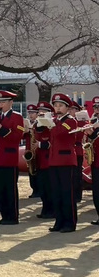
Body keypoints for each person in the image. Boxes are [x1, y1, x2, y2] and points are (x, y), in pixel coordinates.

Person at [0, 90, 24, 225]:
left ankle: (13, 216)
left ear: (11, 102)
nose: (1, 104)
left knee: (10, 189)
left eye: (3, 102)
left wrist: (1, 127)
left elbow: (17, 137)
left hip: (9, 158)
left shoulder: (17, 117)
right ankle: (4, 215)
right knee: (0, 188)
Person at [48, 93, 79, 232]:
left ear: (67, 108)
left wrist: (49, 124)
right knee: (56, 193)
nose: (57, 108)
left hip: (66, 160)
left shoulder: (70, 121)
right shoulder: (54, 120)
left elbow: (60, 133)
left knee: (67, 193)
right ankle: (59, 221)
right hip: (54, 160)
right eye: (55, 105)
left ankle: (70, 223)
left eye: (61, 106)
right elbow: (43, 136)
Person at [34, 101, 55, 220]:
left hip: (49, 160)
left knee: (49, 187)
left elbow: (52, 141)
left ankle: (51, 210)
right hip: (40, 160)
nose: (40, 113)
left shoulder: (52, 124)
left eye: (43, 112)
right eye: (39, 112)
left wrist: (40, 144)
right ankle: (45, 209)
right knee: (42, 187)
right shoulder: (38, 125)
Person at [67, 100, 88, 203]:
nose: (70, 111)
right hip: (68, 151)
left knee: (77, 175)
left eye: (72, 109)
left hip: (77, 150)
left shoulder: (80, 121)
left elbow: (79, 135)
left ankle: (77, 195)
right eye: (69, 109)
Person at [23, 104, 40, 199]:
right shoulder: (27, 123)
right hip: (29, 149)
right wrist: (25, 131)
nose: (31, 115)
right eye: (29, 113)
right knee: (30, 170)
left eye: (33, 113)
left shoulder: (39, 123)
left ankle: (39, 190)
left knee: (37, 170)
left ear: (37, 113)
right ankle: (34, 189)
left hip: (37, 150)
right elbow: (21, 137)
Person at [87, 96, 99, 225]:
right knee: (96, 191)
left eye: (98, 107)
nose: (96, 110)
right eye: (95, 107)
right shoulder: (93, 121)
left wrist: (94, 134)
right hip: (96, 161)